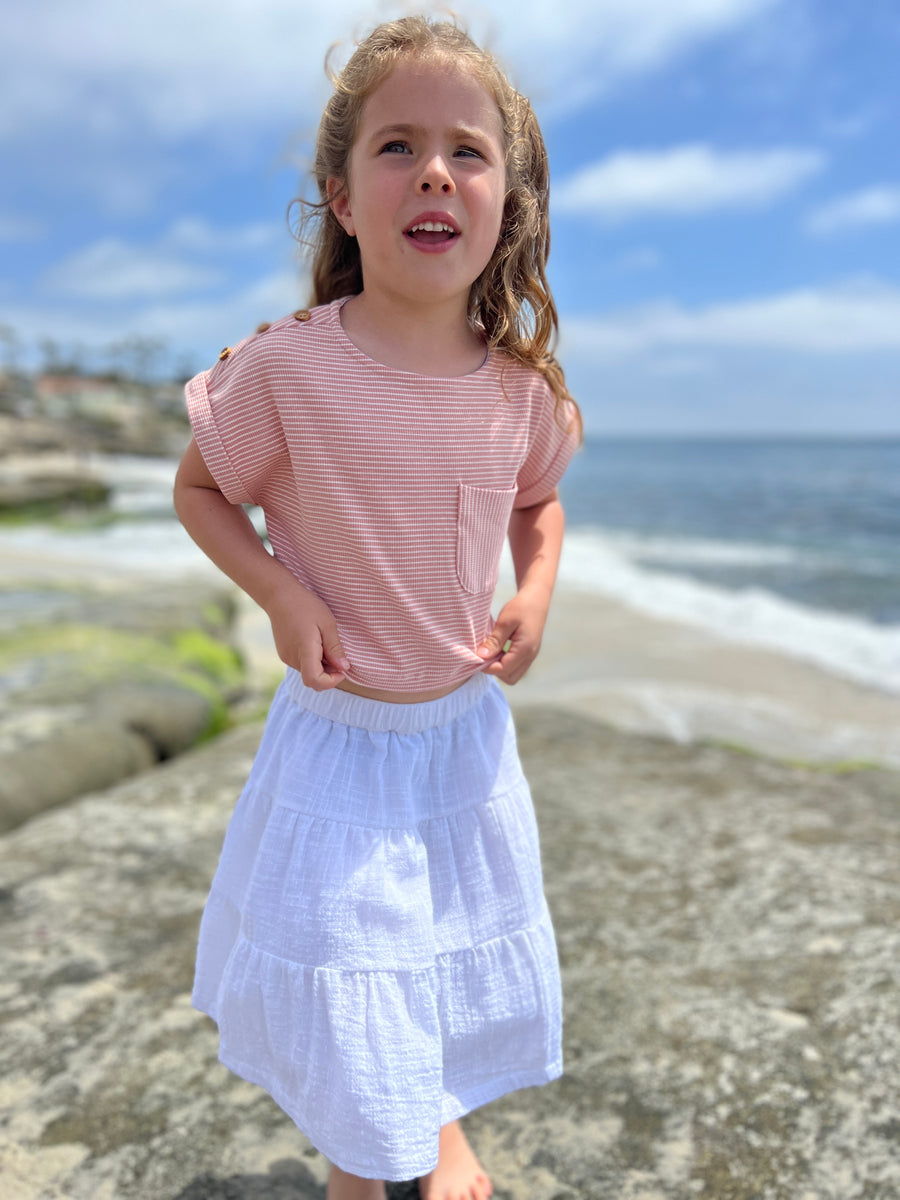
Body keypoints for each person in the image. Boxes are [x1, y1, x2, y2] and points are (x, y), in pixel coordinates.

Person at [174, 15, 581, 1200]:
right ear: (344, 200)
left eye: (468, 151)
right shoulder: (288, 367)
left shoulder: (520, 392)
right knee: (356, 976)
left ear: (508, 207)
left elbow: (540, 504)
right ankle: (365, 1171)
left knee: (438, 957)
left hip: (461, 740)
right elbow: (200, 489)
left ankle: (438, 1128)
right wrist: (278, 591)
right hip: (341, 744)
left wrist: (536, 589)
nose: (435, 171)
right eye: (398, 146)